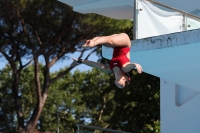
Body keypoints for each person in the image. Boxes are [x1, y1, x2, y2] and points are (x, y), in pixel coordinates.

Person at [70, 33, 143, 89]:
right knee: (109, 41)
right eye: (121, 86)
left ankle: (91, 42)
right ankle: (92, 44)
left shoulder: (109, 70)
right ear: (125, 79)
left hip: (115, 45)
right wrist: (136, 65)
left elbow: (94, 64)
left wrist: (80, 61)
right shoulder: (124, 69)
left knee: (103, 42)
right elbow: (131, 65)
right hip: (125, 43)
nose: (119, 87)